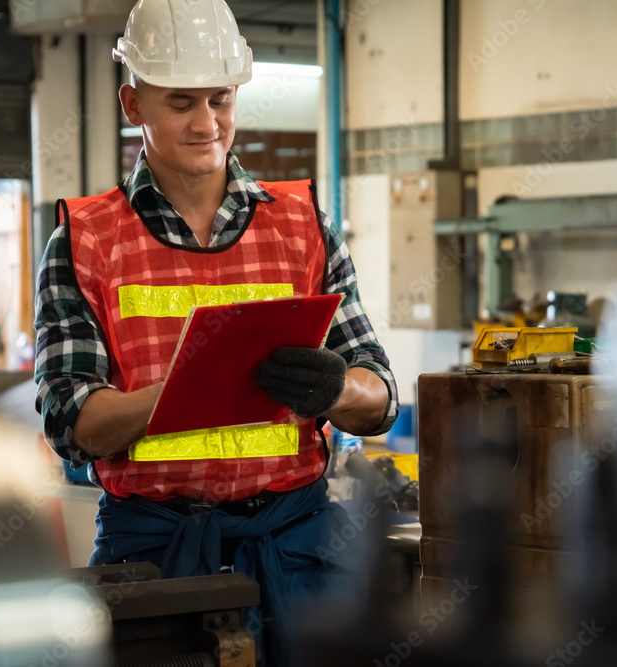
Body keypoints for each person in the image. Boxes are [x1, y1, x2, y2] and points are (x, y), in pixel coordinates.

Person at [33, 0, 398, 663]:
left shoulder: (303, 227)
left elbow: (381, 395)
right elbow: (70, 421)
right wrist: (176, 393)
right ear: (133, 103)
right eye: (180, 103)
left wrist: (336, 386)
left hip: (300, 547)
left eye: (220, 99)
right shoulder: (83, 241)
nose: (207, 123)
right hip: (154, 561)